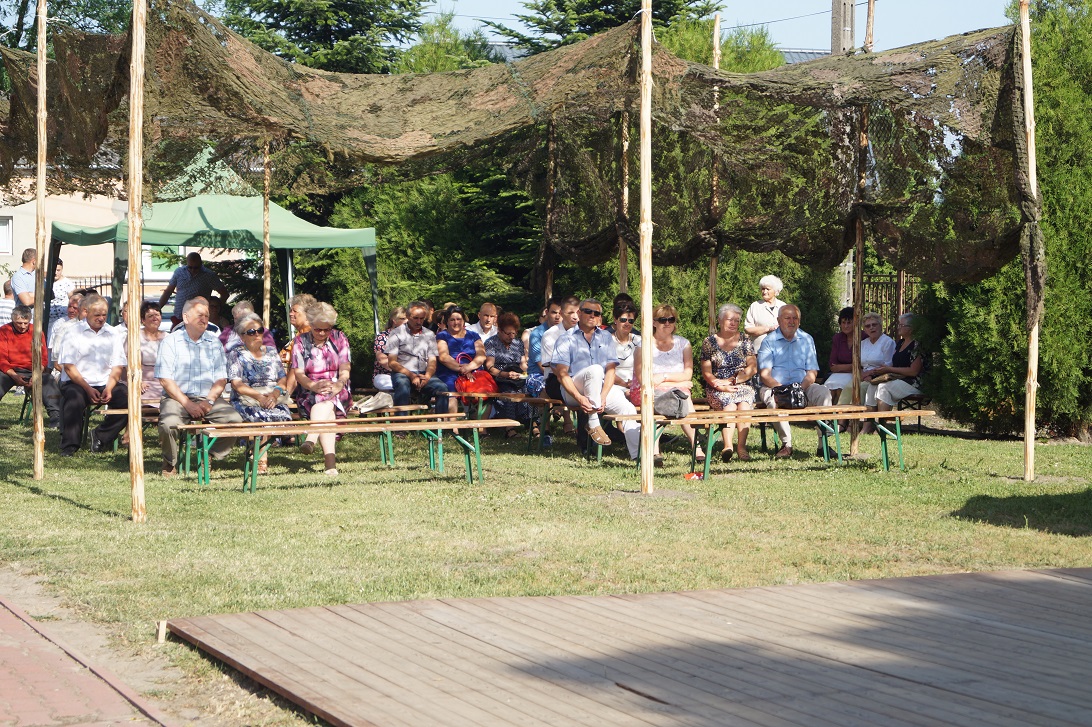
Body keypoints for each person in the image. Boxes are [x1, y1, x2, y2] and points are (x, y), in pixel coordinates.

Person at [156, 298, 243, 477]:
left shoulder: (214, 342)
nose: (204, 319)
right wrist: (187, 404)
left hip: (207, 398)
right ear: (186, 317)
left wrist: (209, 401)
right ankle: (170, 462)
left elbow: (221, 378)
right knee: (168, 425)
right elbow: (165, 379)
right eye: (199, 315)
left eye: (207, 316)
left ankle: (208, 454)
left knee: (234, 421)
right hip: (177, 398)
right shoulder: (170, 341)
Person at [553, 298, 641, 460]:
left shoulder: (605, 337)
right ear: (579, 313)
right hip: (573, 389)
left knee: (628, 409)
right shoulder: (566, 338)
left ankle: (638, 456)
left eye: (597, 313)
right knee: (595, 370)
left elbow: (611, 371)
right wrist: (579, 398)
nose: (592, 315)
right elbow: (562, 375)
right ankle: (593, 422)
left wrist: (603, 396)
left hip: (600, 388)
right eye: (588, 311)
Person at [757, 304, 832, 458]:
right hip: (774, 387)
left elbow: (812, 372)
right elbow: (765, 375)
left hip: (802, 386)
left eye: (795, 318)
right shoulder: (769, 341)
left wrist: (799, 388)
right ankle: (787, 445)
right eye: (787, 318)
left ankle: (823, 444)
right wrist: (784, 391)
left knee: (823, 392)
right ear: (779, 320)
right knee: (773, 401)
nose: (791, 321)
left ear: (799, 321)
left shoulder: (807, 339)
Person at [57, 295, 128, 455]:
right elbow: (69, 367)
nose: (101, 318)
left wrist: (109, 388)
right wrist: (88, 389)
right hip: (77, 382)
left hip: (105, 382)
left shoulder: (112, 333)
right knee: (74, 398)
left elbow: (118, 366)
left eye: (104, 314)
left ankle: (101, 436)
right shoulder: (73, 332)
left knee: (127, 398)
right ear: (85, 311)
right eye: (97, 315)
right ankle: (70, 445)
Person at [633, 304, 704, 465]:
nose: (667, 323)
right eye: (662, 320)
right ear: (653, 322)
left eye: (671, 319)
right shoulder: (643, 345)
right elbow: (644, 379)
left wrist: (663, 377)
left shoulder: (683, 344)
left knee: (684, 398)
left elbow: (688, 375)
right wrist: (679, 381)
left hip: (677, 391)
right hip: (649, 392)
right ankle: (654, 451)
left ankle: (697, 448)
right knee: (658, 400)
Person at [292, 302, 352, 476]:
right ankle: (330, 465)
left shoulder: (340, 338)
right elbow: (299, 373)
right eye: (318, 329)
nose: (322, 333)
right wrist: (313, 386)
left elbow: (345, 367)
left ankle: (311, 437)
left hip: (338, 386)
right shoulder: (300, 341)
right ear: (310, 324)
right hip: (309, 388)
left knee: (327, 401)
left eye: (327, 329)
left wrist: (339, 383)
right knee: (326, 408)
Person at [228, 313, 292, 474]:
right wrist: (259, 397)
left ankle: (257, 452)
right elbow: (236, 384)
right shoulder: (236, 354)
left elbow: (282, 379)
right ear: (242, 336)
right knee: (261, 417)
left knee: (281, 415)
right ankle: (261, 459)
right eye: (251, 332)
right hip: (246, 399)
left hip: (272, 397)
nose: (257, 334)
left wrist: (274, 395)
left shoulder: (271, 351)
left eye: (259, 330)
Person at [700, 303, 757, 462]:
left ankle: (741, 447)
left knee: (744, 404)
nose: (733, 323)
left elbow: (752, 367)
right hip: (717, 386)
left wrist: (737, 380)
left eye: (737, 321)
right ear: (719, 320)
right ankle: (727, 446)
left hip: (742, 383)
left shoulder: (745, 340)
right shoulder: (709, 342)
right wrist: (719, 385)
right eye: (730, 320)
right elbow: (706, 372)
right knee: (730, 404)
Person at [0, 305, 61, 427]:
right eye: (19, 323)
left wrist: (36, 375)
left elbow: (43, 359)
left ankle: (56, 417)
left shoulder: (36, 332)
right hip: (10, 370)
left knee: (48, 380)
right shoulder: (4, 331)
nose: (23, 326)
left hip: (33, 370)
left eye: (25, 323)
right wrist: (14, 375)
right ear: (13, 320)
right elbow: (2, 359)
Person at [864, 313, 928, 428]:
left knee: (884, 388)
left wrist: (889, 369)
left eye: (901, 325)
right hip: (898, 379)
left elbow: (914, 371)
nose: (898, 327)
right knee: (873, 385)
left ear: (911, 328)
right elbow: (894, 364)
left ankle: (881, 428)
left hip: (915, 382)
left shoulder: (917, 345)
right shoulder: (900, 343)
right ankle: (867, 427)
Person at [387, 301, 449, 414]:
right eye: (415, 318)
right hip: (403, 372)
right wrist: (411, 375)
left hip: (424, 372)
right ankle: (401, 423)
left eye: (422, 318)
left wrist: (428, 376)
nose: (419, 322)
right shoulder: (396, 333)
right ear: (407, 316)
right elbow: (392, 362)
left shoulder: (429, 334)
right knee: (402, 385)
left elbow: (432, 360)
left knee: (442, 388)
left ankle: (441, 422)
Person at [485, 312, 532, 436]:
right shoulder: (491, 343)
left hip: (516, 376)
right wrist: (505, 374)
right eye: (508, 333)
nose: (511, 336)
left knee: (529, 390)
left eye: (514, 333)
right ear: (500, 330)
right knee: (510, 392)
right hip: (499, 377)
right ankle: (509, 427)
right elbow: (490, 367)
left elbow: (522, 363)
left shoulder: (518, 343)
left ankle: (533, 422)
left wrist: (526, 372)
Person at [841, 311, 896, 406]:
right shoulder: (863, 343)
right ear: (865, 330)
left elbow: (888, 365)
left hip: (878, 378)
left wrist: (870, 374)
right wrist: (862, 375)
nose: (871, 328)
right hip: (863, 377)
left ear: (880, 326)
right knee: (849, 387)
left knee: (861, 388)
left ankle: (858, 414)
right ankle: (841, 414)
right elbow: (858, 364)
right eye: (867, 326)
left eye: (874, 325)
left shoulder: (888, 342)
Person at [158, 252, 228, 323]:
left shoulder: (209, 275)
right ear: (187, 263)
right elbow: (168, 291)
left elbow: (224, 294)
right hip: (180, 317)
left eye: (196, 267)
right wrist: (158, 309)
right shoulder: (179, 272)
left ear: (201, 264)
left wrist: (215, 310)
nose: (193, 270)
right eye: (190, 267)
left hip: (199, 319)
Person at [436, 306, 486, 397]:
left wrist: (469, 367)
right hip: (450, 374)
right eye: (452, 320)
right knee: (451, 395)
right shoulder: (442, 336)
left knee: (483, 393)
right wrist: (462, 370)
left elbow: (481, 355)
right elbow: (443, 357)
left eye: (459, 319)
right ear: (447, 322)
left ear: (463, 321)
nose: (456, 322)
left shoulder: (474, 335)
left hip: (474, 372)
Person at [540, 295, 580, 400]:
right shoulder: (550, 335)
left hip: (580, 376)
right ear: (562, 313)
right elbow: (555, 368)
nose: (575, 317)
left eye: (578, 312)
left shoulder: (585, 333)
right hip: (556, 380)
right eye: (570, 313)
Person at [280, 293, 316, 397]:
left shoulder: (308, 336)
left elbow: (296, 367)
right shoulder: (300, 334)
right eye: (291, 310)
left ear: (307, 315)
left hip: (304, 393)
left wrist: (286, 394)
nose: (291, 314)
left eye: (295, 311)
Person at [525, 297, 562, 398]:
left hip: (561, 374)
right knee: (547, 387)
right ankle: (548, 409)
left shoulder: (568, 333)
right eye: (554, 312)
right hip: (537, 375)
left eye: (560, 313)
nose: (557, 316)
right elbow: (542, 366)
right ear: (547, 312)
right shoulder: (537, 334)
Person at [744, 274, 786, 353]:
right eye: (763, 289)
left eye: (768, 289)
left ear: (776, 291)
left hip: (780, 351)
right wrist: (768, 329)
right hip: (759, 351)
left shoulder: (783, 306)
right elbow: (748, 329)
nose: (764, 292)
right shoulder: (755, 306)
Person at [48, 291, 84, 378]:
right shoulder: (59, 324)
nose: (71, 310)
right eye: (69, 307)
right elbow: (52, 354)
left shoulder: (88, 325)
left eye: (75, 308)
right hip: (62, 371)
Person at [824, 307, 856, 402]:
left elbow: (862, 365)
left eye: (849, 323)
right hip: (838, 374)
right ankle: (826, 412)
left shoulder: (863, 337)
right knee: (827, 391)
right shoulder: (837, 338)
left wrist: (840, 367)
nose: (846, 326)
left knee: (840, 390)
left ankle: (840, 412)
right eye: (843, 322)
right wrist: (852, 366)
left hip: (855, 375)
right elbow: (833, 366)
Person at [372, 307, 407, 392]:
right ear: (394, 320)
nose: (407, 321)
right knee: (395, 385)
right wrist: (403, 371)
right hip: (385, 376)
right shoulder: (383, 337)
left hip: (408, 375)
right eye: (403, 318)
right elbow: (382, 360)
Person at [138, 302, 167, 405]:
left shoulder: (168, 337)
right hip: (143, 381)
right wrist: (138, 381)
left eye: (157, 315)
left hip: (164, 381)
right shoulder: (135, 337)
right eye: (150, 316)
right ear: (143, 320)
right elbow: (128, 364)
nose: (155, 318)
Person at [49, 259, 76, 325]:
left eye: (58, 270)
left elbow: (73, 300)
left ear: (62, 270)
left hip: (64, 320)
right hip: (49, 320)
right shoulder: (45, 282)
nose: (55, 273)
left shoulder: (67, 283)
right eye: (54, 270)